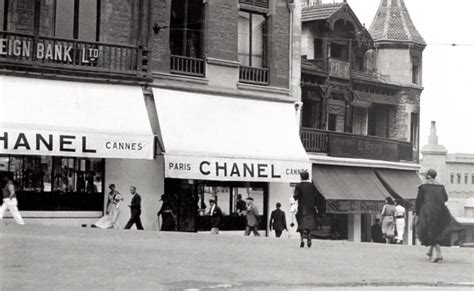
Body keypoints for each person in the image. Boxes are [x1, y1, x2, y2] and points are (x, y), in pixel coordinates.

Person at [416, 169, 451, 263]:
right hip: (440, 212)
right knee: (434, 230)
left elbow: (419, 200)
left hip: (427, 212)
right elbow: (446, 198)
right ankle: (430, 251)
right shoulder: (440, 186)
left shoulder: (423, 186)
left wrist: (417, 212)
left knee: (430, 231)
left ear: (428, 176)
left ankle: (438, 254)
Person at [293, 171, 320, 248]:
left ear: (301, 177)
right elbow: (316, 196)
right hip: (310, 207)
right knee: (310, 223)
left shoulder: (298, 186)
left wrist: (294, 198)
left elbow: (295, 196)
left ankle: (302, 240)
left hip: (302, 207)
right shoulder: (312, 186)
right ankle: (309, 236)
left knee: (301, 223)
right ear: (308, 177)